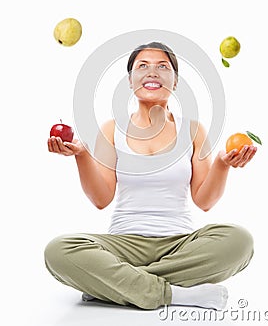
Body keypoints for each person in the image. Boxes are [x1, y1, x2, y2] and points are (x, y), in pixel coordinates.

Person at [45, 41, 256, 311]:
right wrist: (82, 155)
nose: (152, 72)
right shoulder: (112, 129)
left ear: (175, 81)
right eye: (142, 66)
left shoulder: (193, 130)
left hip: (180, 245)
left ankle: (114, 286)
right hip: (122, 246)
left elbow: (204, 201)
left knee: (239, 241)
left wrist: (222, 165)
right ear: (130, 81)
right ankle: (177, 294)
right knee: (58, 250)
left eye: (162, 67)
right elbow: (101, 199)